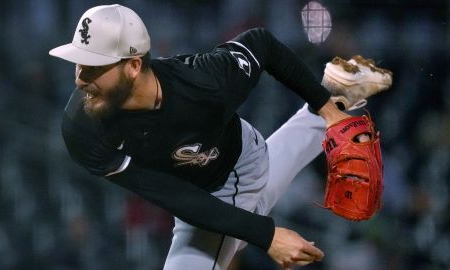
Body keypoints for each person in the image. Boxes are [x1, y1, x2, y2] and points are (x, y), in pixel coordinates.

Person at [49, 4, 372, 269]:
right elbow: (171, 195)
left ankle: (331, 103)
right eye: (79, 63)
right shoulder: (83, 128)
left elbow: (262, 44)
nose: (80, 79)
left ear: (133, 66)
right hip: (195, 186)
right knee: (259, 194)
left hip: (233, 172)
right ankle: (339, 93)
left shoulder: (204, 84)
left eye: (94, 66)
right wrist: (265, 234)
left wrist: (326, 110)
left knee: (250, 195)